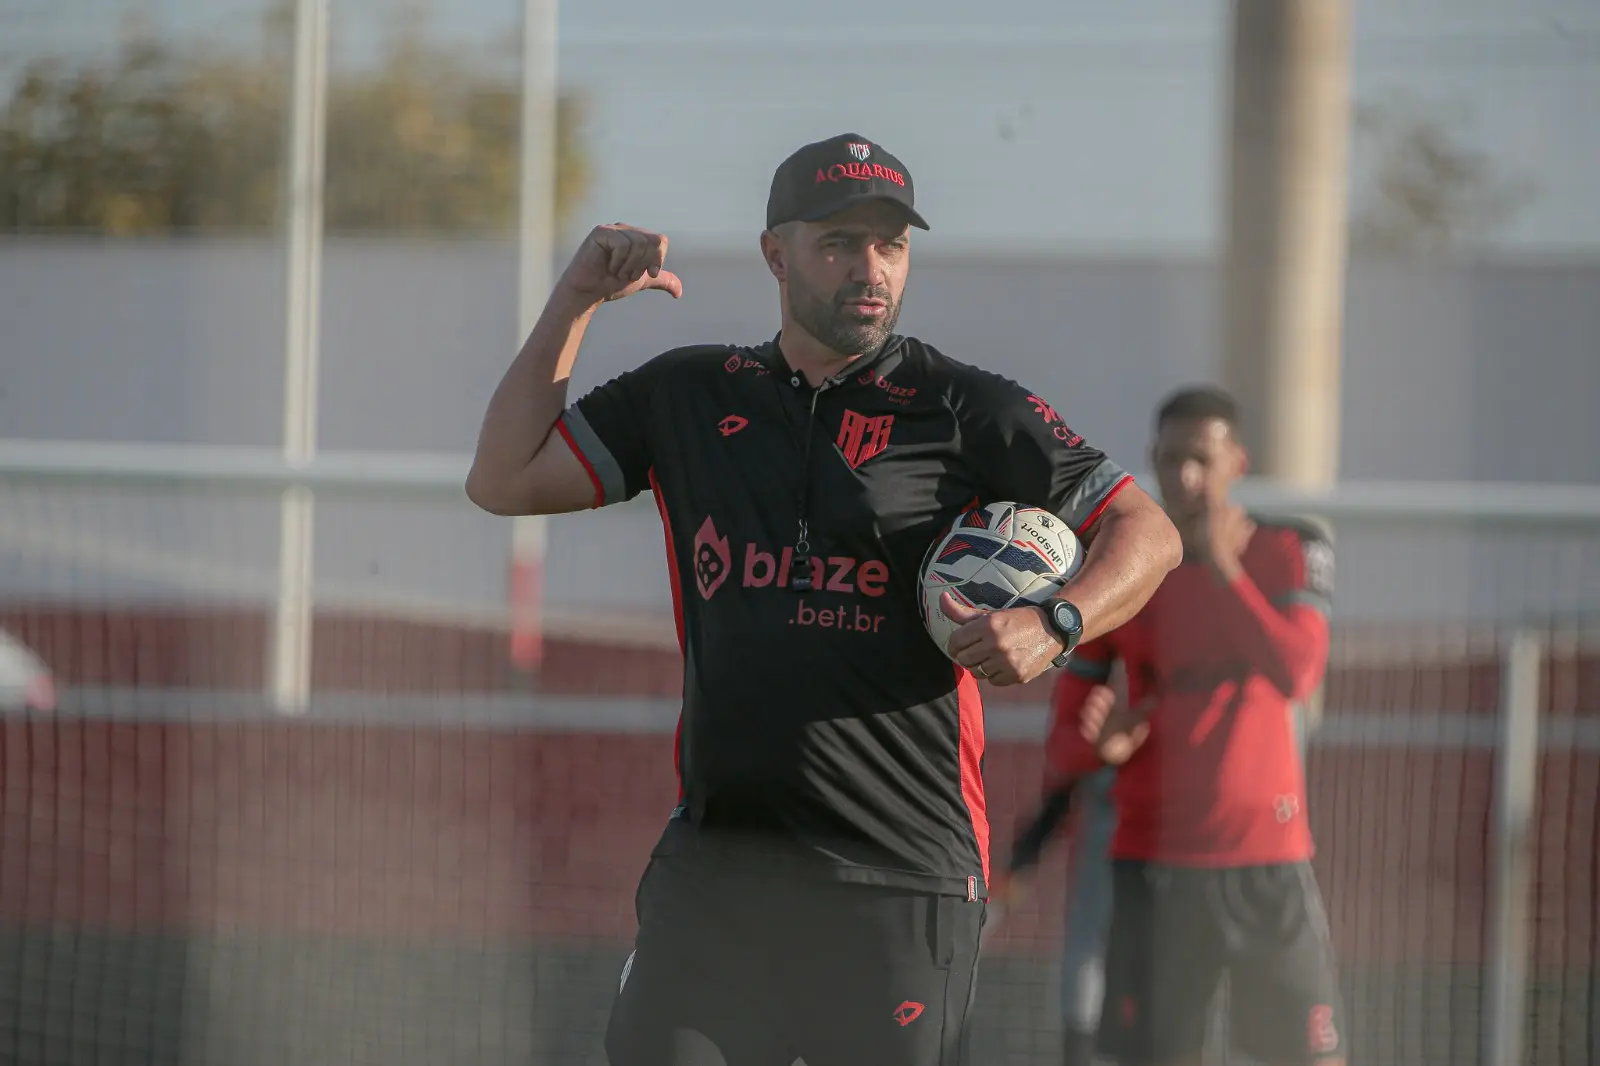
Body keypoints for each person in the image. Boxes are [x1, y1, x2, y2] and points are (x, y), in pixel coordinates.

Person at [465, 131, 1183, 1066]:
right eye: (839, 242)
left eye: (890, 244)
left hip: (902, 879)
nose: (869, 268)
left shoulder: (965, 408)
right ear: (777, 254)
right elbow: (504, 477)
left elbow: (1149, 532)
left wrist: (1056, 620)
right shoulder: (689, 393)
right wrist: (575, 301)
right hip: (721, 873)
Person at [997, 385, 1344, 1066]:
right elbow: (1065, 743)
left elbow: (1297, 673)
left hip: (1266, 862)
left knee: (1309, 1056)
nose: (1185, 476)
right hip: (1152, 870)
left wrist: (1221, 566)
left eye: (1201, 460)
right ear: (1152, 458)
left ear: (1237, 463)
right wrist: (1102, 748)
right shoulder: (1122, 572)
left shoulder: (1286, 548)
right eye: (1172, 458)